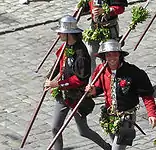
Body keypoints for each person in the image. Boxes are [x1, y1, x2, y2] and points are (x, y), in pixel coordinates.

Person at [44, 15, 111, 150]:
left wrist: (57, 84)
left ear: (69, 34)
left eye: (61, 32)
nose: (58, 34)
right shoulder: (65, 46)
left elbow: (80, 80)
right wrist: (49, 78)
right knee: (55, 128)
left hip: (76, 97)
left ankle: (107, 147)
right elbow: (59, 64)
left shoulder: (81, 55)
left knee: (83, 131)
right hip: (63, 95)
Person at [85, 39, 156, 150]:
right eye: (108, 55)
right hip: (109, 117)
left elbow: (147, 95)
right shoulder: (101, 70)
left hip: (126, 118)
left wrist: (151, 113)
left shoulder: (133, 73)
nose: (112, 58)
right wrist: (92, 91)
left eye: (115, 54)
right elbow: (98, 89)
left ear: (120, 55)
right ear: (104, 57)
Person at [79, 0, 128, 74]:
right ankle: (92, 81)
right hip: (94, 28)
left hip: (109, 28)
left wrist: (105, 10)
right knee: (89, 54)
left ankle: (111, 79)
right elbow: (87, 5)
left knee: (110, 55)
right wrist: (81, 7)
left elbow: (120, 8)